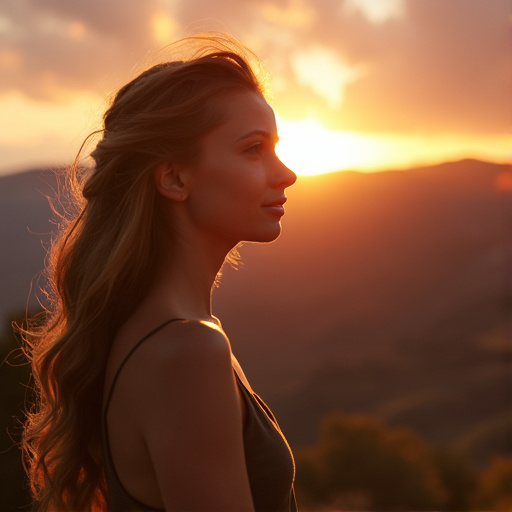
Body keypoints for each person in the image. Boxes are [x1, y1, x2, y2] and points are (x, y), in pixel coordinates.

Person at [21, 33, 298, 511]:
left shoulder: (161, 335)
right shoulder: (187, 352)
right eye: (254, 150)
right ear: (173, 178)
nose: (286, 173)